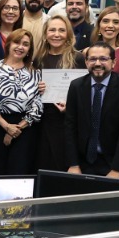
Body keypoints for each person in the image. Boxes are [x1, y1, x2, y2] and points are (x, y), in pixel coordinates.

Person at [60, 42, 119, 179]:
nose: (97, 63)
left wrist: (116, 169)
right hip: (83, 161)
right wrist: (73, 164)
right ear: (86, 62)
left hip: (114, 160)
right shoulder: (76, 86)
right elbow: (70, 126)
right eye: (92, 59)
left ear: (114, 63)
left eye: (103, 59)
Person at [0, 30, 44, 175]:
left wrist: (16, 129)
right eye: (17, 42)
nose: (20, 47)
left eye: (25, 44)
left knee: (20, 172)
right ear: (8, 44)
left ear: (29, 49)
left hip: (25, 129)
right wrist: (7, 127)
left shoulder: (35, 72)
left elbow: (37, 105)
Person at [35, 15, 80, 173]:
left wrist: (71, 106)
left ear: (68, 34)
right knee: (43, 165)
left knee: (61, 167)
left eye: (61, 30)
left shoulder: (78, 58)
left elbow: (84, 92)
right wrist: (36, 88)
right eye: (52, 30)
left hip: (67, 123)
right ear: (45, 34)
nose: (56, 34)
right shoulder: (38, 59)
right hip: (42, 123)